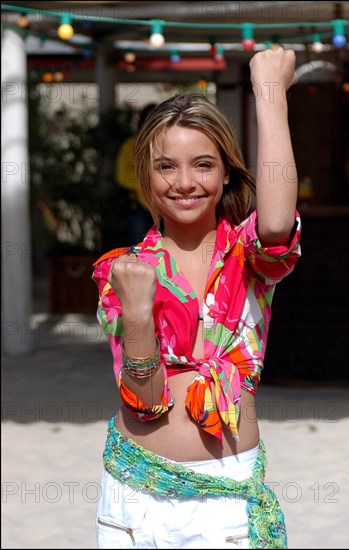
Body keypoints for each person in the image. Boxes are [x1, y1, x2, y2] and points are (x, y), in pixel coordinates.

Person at [92, 46, 301, 549]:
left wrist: (270, 92)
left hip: (226, 496)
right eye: (166, 167)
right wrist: (138, 312)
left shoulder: (248, 257)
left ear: (226, 172)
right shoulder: (121, 270)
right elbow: (144, 403)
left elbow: (275, 224)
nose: (185, 183)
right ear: (145, 177)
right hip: (135, 495)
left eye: (203, 165)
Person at [115, 103, 156, 243]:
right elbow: (123, 177)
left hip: (168, 206)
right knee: (138, 251)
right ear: (142, 121)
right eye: (149, 119)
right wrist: (151, 183)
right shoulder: (130, 145)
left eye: (156, 119)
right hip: (140, 206)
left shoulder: (170, 143)